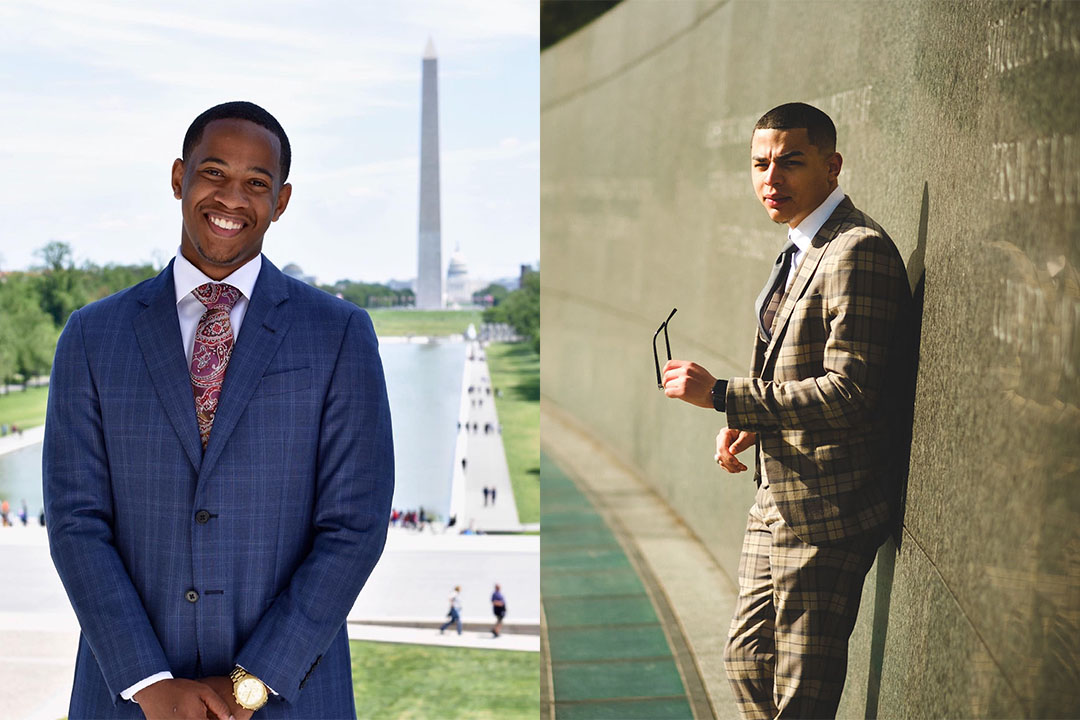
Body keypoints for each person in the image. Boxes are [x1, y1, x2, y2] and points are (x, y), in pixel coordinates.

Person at [43, 101, 394, 720]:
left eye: (256, 183)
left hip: (289, 697)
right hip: (127, 699)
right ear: (179, 178)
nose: (232, 197)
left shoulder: (338, 334)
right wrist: (148, 682)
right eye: (214, 173)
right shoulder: (92, 336)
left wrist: (254, 682)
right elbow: (76, 522)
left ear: (280, 201)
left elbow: (355, 524)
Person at [662, 102, 912, 719]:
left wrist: (725, 395)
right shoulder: (801, 245)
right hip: (776, 493)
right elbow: (797, 368)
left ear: (832, 165)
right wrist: (749, 423)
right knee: (746, 661)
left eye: (791, 162)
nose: (771, 178)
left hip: (830, 507)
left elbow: (852, 391)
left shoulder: (858, 251)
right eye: (760, 164)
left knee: (801, 693)